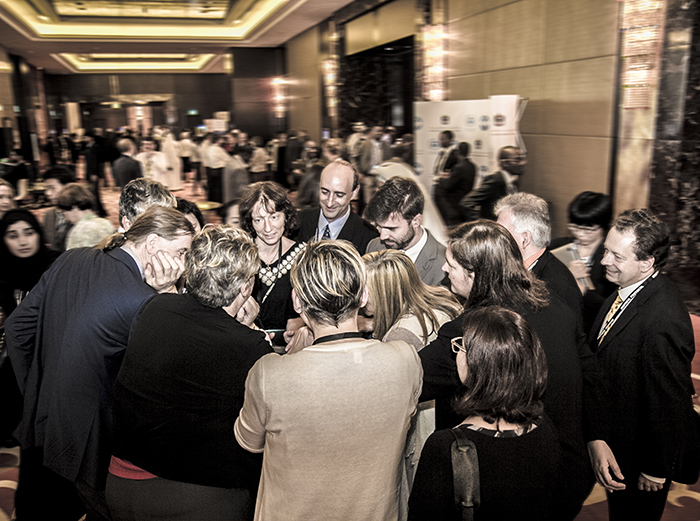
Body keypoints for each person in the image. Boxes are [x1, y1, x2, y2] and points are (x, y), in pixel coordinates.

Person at [5, 206, 195, 521]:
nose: (184, 261)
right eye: (181, 251)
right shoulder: (145, 300)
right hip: (87, 445)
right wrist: (169, 294)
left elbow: (17, 328)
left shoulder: (70, 258)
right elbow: (176, 366)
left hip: (41, 423)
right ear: (152, 245)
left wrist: (37, 390)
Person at [418, 220, 604, 520]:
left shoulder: (472, 331)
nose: (443, 269)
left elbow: (411, 379)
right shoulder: (554, 303)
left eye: (451, 263)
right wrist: (598, 437)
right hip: (564, 471)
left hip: (500, 479)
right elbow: (592, 375)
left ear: (474, 274)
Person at [235, 240, 422, 521]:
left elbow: (249, 442)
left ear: (297, 301)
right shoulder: (406, 360)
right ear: (363, 297)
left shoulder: (268, 374)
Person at [106, 226, 272, 521]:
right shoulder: (249, 345)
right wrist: (251, 331)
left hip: (118, 484)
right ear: (246, 286)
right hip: (195, 495)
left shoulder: (155, 308)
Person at [586, 209, 695, 521]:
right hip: (618, 444)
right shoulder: (629, 289)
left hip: (640, 461)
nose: (604, 260)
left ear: (647, 262)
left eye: (616, 255)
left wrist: (656, 469)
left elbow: (669, 401)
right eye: (605, 250)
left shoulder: (664, 318)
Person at [409, 306, 562, 521]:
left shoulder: (446, 447)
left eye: (463, 345)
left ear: (480, 363)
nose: (458, 352)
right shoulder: (544, 428)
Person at [0, 210, 61, 450]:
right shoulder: (3, 271)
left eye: (29, 233)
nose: (23, 241)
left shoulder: (56, 265)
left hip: (53, 353)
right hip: (17, 353)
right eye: (13, 235)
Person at [495, 192, 584, 319]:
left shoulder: (558, 287)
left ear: (525, 238)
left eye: (501, 232)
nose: (495, 238)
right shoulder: (511, 268)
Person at [363, 249, 460, 352]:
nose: (357, 297)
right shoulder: (442, 295)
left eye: (363, 290)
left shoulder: (399, 337)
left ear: (382, 295)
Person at [238, 181, 305, 331]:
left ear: (286, 216)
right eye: (259, 220)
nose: (268, 228)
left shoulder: (303, 256)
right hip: (247, 341)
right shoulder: (238, 256)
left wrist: (301, 323)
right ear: (250, 222)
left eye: (274, 217)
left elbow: (317, 309)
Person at [550, 191, 617, 334]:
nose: (580, 234)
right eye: (575, 228)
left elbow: (613, 308)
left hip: (590, 331)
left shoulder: (613, 258)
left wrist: (584, 292)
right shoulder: (556, 247)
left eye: (588, 230)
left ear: (604, 226)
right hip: (557, 327)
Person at [366, 176, 446, 286]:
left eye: (391, 228)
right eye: (378, 226)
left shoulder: (443, 264)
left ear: (416, 221)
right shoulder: (374, 247)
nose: (382, 236)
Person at [295, 159, 378, 253]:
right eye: (324, 192)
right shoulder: (297, 222)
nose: (330, 202)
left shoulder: (368, 237)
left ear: (354, 193)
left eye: (339, 195)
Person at [460, 145, 525, 220]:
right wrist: (482, 225)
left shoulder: (513, 183)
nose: (522, 163)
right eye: (517, 160)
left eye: (522, 159)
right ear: (505, 163)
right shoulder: (495, 180)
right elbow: (466, 203)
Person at [58, 183, 115, 249]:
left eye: (64, 211)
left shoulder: (78, 232)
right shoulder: (106, 223)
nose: (64, 216)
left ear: (74, 207)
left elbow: (73, 258)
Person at [434, 141, 475, 226]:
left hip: (454, 206)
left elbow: (447, 185)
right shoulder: (472, 166)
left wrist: (441, 178)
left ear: (458, 152)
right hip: (465, 202)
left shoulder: (459, 167)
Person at [42, 166, 75, 251]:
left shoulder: (80, 213)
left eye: (52, 188)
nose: (48, 193)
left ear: (67, 187)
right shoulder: (49, 215)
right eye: (46, 188)